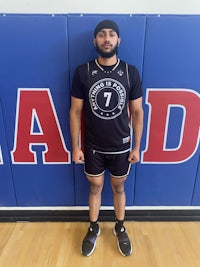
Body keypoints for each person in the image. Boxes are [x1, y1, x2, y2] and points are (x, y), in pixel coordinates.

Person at [70, 19, 143, 257]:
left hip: (121, 146)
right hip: (92, 146)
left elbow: (138, 112)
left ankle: (120, 227)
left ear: (118, 40)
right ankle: (93, 228)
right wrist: (76, 146)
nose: (107, 39)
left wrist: (137, 146)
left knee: (118, 187)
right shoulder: (83, 71)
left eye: (112, 34)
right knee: (95, 186)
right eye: (102, 35)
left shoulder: (130, 72)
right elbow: (75, 111)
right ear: (95, 41)